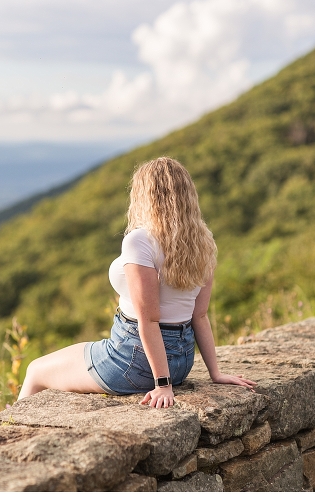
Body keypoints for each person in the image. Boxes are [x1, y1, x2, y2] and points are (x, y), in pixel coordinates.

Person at [18, 157, 256, 408]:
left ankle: (11, 436)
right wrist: (214, 373)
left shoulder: (139, 241)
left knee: (35, 370)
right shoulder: (202, 241)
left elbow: (150, 319)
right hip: (181, 362)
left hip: (134, 359)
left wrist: (162, 385)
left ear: (145, 196)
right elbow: (200, 316)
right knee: (74, 354)